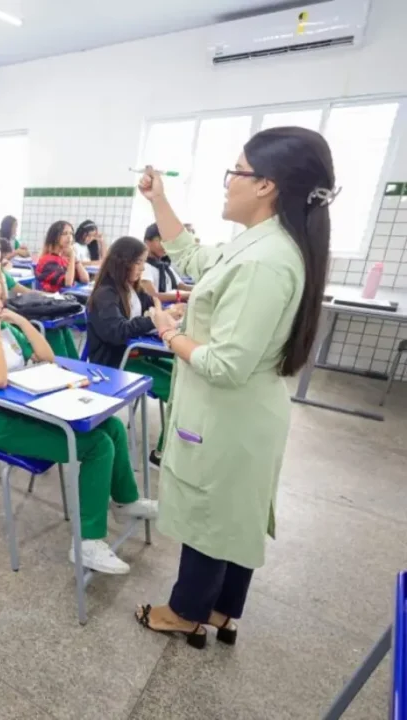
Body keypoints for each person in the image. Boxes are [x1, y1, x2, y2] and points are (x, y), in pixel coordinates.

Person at [132, 127, 335, 648]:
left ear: (266, 184)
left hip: (230, 411)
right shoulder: (264, 244)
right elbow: (196, 258)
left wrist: (171, 331)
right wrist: (159, 200)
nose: (228, 184)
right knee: (234, 511)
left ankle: (184, 611)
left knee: (211, 513)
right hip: (245, 412)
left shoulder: (267, 261)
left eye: (236, 172)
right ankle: (222, 610)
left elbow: (225, 365)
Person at [0, 271, 157, 574]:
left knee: (110, 426)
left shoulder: (6, 329)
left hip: (26, 408)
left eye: (0, 298)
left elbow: (46, 358)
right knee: (96, 446)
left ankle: (125, 501)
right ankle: (87, 543)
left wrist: (19, 323)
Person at [86, 236, 179, 465]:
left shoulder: (131, 288)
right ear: (122, 262)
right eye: (138, 262)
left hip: (135, 354)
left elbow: (152, 303)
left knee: (182, 374)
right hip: (115, 362)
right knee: (176, 390)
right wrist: (155, 320)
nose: (142, 268)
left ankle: (172, 444)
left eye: (143, 263)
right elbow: (116, 332)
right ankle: (162, 453)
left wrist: (165, 312)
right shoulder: (106, 294)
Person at [0, 234, 78, 359]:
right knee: (52, 330)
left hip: (9, 313)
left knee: (61, 325)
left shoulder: (1, 272)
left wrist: (51, 296)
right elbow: (1, 302)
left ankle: (73, 365)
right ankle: (60, 365)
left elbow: (23, 290)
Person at [141, 223, 193, 303]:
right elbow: (153, 297)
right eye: (161, 240)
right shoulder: (143, 267)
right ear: (147, 242)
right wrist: (189, 295)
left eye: (168, 242)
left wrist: (200, 289)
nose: (166, 245)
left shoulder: (165, 267)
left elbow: (182, 286)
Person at [35, 221, 88, 293]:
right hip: (52, 300)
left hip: (65, 298)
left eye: (71, 234)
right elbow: (68, 283)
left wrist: (75, 259)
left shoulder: (65, 259)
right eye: (65, 233)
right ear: (55, 237)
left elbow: (85, 279)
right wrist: (72, 255)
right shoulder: (47, 260)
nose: (69, 237)